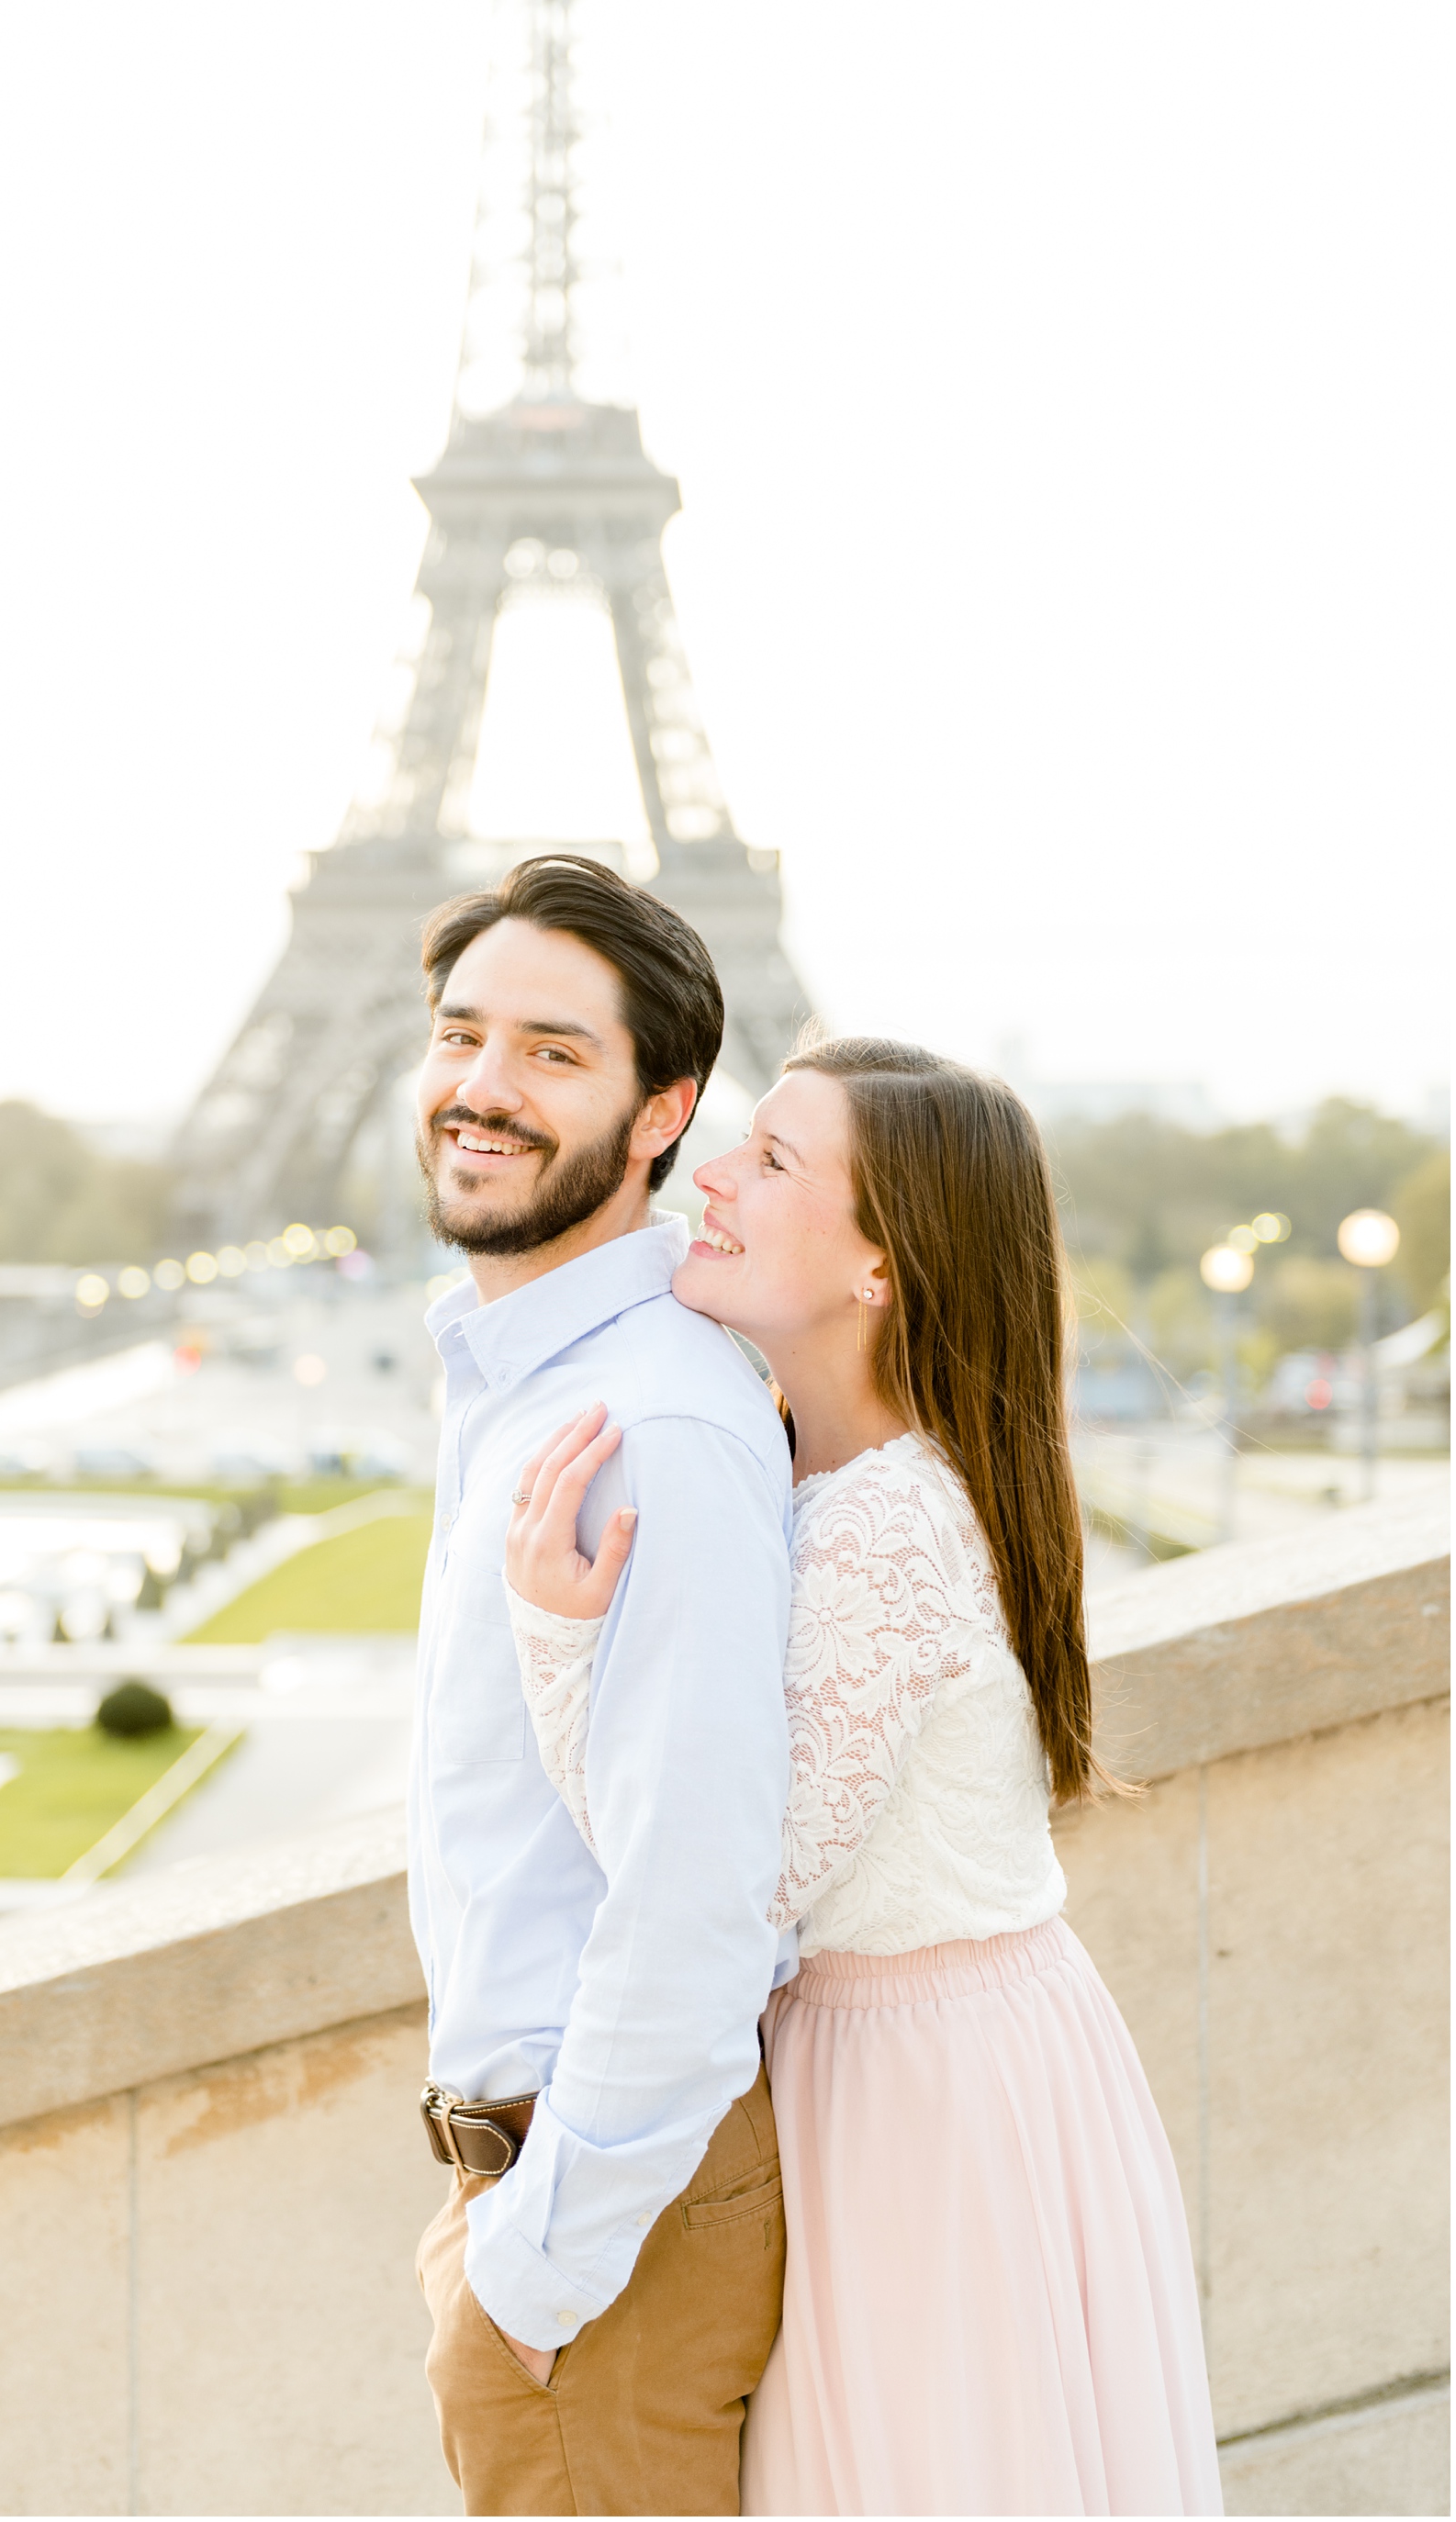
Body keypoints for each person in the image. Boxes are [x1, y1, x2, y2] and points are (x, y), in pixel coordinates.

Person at [503, 1036, 1225, 2517]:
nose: (713, 1172)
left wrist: (558, 1643)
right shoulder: (859, 1479)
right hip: (950, 2063)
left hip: (917, 2099)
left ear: (880, 1268)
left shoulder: (885, 1526)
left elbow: (717, 1877)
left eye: (771, 1160)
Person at [409, 854, 796, 2519]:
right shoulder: (540, 1378)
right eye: (461, 1033)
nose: (484, 1088)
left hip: (601, 2225)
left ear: (665, 1113)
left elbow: (699, 1896)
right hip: (543, 2183)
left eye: (555, 1053)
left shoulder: (652, 1423)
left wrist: (535, 2278)